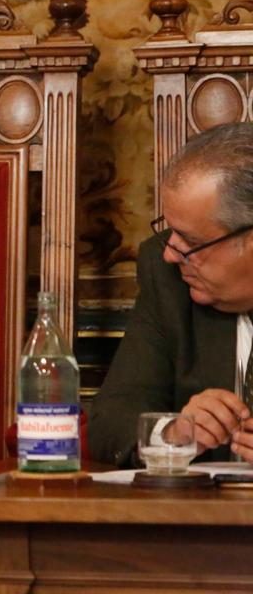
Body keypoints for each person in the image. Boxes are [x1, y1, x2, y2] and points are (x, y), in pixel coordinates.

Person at [89, 123, 253, 467]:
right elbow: (110, 421)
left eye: (191, 242)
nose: (170, 253)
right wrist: (173, 435)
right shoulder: (168, 277)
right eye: (171, 231)